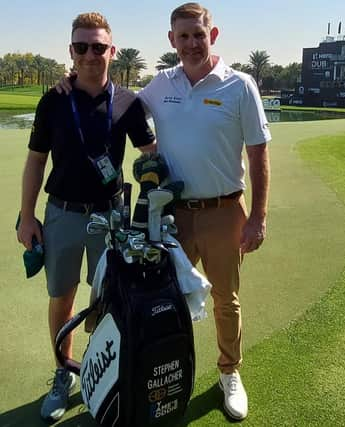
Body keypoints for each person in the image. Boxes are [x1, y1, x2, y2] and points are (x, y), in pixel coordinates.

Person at [17, 12, 156, 422]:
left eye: (99, 46)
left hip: (111, 218)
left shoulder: (130, 102)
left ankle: (102, 373)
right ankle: (64, 373)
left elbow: (151, 156)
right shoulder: (54, 100)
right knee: (62, 297)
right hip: (61, 215)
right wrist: (27, 218)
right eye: (82, 46)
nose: (91, 54)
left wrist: (151, 196)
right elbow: (35, 162)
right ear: (71, 52)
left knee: (107, 301)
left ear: (112, 51)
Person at [138, 3, 271, 420]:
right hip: (173, 214)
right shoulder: (160, 85)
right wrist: (78, 81)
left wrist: (258, 218)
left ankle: (229, 372)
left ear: (212, 36)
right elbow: (120, 107)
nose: (192, 43)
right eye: (183, 36)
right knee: (164, 299)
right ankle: (162, 372)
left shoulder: (239, 84)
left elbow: (258, 153)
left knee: (225, 299)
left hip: (224, 209)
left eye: (199, 34)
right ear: (172, 40)